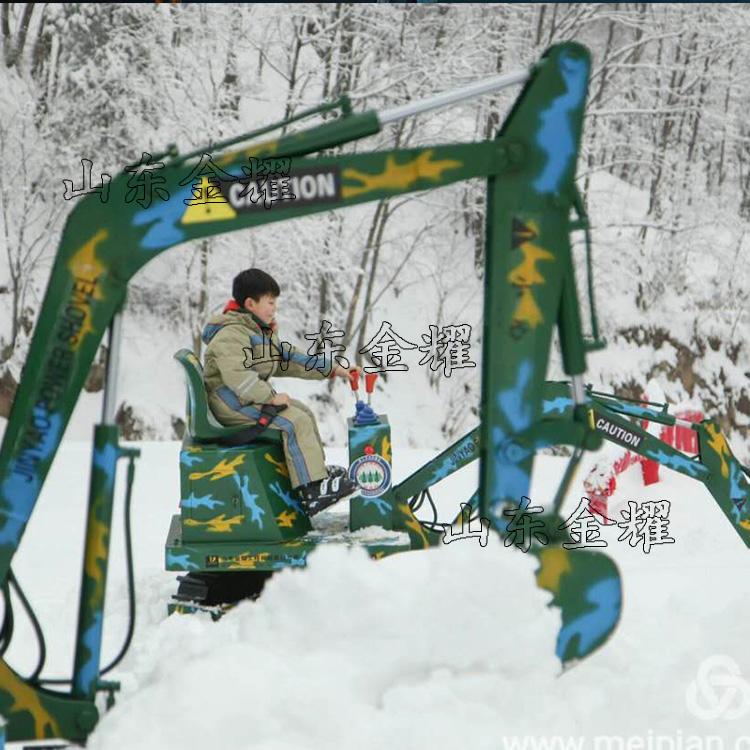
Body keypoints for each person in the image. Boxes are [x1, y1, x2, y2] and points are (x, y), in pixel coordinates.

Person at [201, 268, 359, 516]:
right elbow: (238, 376)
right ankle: (312, 492)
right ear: (250, 303)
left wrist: (333, 369)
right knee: (292, 421)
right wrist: (269, 397)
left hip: (241, 398)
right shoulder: (231, 333)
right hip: (229, 401)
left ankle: (314, 475)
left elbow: (291, 359)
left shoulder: (256, 331)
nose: (274, 308)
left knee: (302, 412)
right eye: (270, 302)